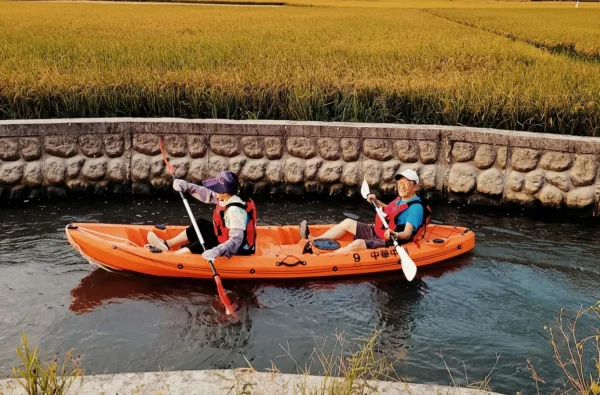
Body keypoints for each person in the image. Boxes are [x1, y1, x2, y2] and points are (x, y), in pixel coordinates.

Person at [299, 169, 428, 254]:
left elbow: (407, 233)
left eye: (406, 183)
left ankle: (323, 258)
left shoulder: (416, 208)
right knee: (347, 222)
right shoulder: (401, 199)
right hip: (379, 231)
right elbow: (392, 211)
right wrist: (377, 202)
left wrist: (395, 234)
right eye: (400, 182)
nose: (402, 186)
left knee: (358, 243)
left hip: (389, 239)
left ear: (415, 186)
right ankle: (313, 239)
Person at [146, 171, 257, 261]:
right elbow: (207, 194)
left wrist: (217, 251)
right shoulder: (228, 195)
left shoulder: (234, 210)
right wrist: (187, 186)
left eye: (217, 188)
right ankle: (167, 244)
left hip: (238, 249)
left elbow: (236, 240)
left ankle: (172, 257)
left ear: (225, 191)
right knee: (201, 224)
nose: (214, 189)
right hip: (225, 237)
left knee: (204, 243)